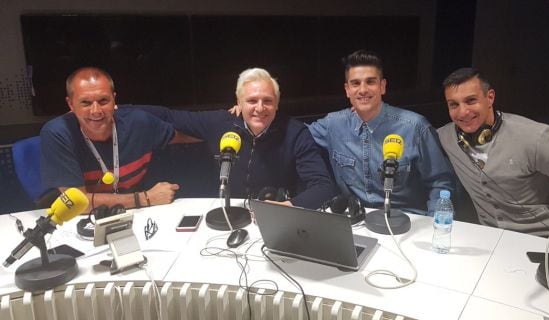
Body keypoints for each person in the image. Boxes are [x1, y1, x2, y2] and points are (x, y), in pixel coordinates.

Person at [437, 67, 549, 263]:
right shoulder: (446, 137)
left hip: (548, 243)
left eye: (471, 100)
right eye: (453, 105)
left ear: (490, 97)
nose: (463, 112)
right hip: (490, 243)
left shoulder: (536, 139)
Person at [138, 68, 337, 209]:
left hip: (276, 213)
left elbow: (323, 186)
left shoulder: (295, 132)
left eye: (267, 101)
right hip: (230, 212)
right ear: (239, 103)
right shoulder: (220, 122)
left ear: (277, 104)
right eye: (251, 101)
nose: (260, 108)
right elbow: (169, 116)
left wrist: (287, 207)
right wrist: (120, 112)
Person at [307, 50, 456, 214]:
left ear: (382, 86)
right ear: (347, 89)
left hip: (408, 220)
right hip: (356, 219)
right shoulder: (332, 124)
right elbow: (296, 137)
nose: (363, 90)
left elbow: (441, 182)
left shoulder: (415, 127)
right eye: (355, 83)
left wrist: (436, 226)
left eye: (370, 82)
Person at [40, 67, 187, 210]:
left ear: (114, 100)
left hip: (131, 214)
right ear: (71, 104)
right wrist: (144, 198)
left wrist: (210, 134)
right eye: (86, 103)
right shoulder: (57, 133)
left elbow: (186, 133)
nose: (96, 111)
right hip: (81, 221)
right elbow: (75, 202)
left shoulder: (138, 122)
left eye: (103, 100)